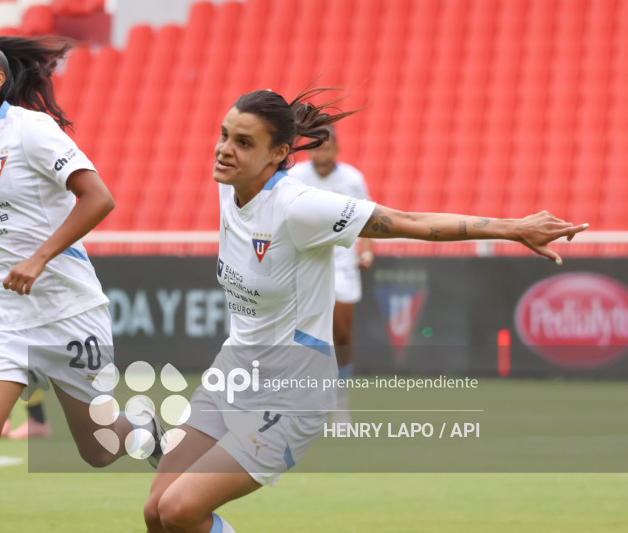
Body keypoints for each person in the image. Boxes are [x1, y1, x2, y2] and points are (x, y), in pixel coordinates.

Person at [143, 88, 587, 533]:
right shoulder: (230, 187)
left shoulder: (299, 207)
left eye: (243, 142)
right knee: (156, 511)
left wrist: (513, 228)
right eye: (224, 135)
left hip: (290, 392)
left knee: (181, 510)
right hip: (234, 373)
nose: (225, 149)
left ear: (278, 154)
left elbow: (413, 222)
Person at [0, 35, 162, 533]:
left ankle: (144, 429)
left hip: (69, 314)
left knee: (100, 450)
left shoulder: (32, 131)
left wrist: (39, 257)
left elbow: (98, 198)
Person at [289, 125, 373, 423]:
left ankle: (340, 399)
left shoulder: (352, 179)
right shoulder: (295, 177)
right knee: (303, 332)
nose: (322, 150)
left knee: (340, 332)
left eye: (327, 145)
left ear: (337, 147)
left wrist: (366, 251)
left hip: (341, 262)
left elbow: (367, 221)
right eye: (316, 145)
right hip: (306, 261)